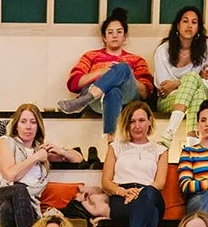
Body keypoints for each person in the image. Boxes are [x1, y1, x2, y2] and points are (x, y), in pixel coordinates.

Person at [58, 8, 155, 143]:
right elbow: (74, 83)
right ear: (104, 37)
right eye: (110, 32)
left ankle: (85, 99)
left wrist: (127, 75)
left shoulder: (137, 60)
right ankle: (111, 142)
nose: (114, 35)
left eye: (119, 32)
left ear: (125, 37)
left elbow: (146, 91)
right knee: (113, 91)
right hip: (98, 103)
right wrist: (101, 72)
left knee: (123, 67)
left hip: (127, 98)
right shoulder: (90, 56)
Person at [102, 101, 167, 227]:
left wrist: (141, 192)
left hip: (150, 194)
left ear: (149, 122)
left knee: (150, 194)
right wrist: (123, 192)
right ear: (126, 124)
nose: (137, 125)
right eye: (132, 121)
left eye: (141, 120)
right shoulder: (115, 147)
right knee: (150, 213)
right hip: (123, 198)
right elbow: (106, 182)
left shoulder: (160, 150)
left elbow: (160, 183)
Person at [153, 6, 208, 147]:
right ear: (177, 25)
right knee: (196, 87)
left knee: (199, 91)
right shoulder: (163, 50)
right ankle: (192, 145)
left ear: (198, 28)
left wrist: (177, 83)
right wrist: (196, 77)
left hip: (196, 96)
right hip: (167, 100)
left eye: (194, 22)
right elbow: (164, 87)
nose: (189, 25)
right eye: (185, 21)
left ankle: (169, 134)